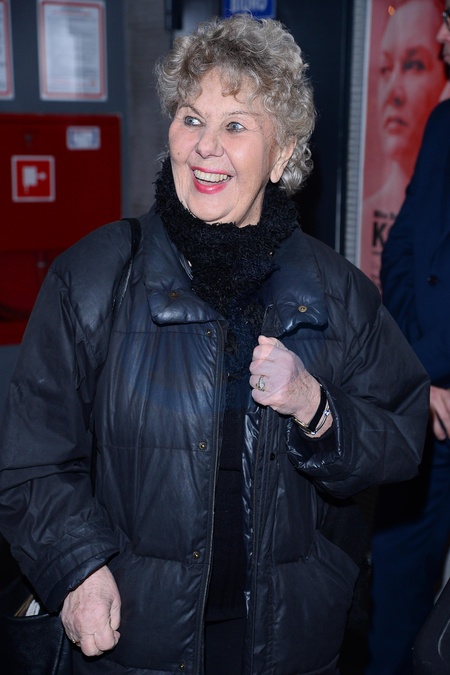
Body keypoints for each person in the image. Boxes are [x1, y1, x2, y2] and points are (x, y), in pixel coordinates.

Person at [0, 14, 429, 675]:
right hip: (132, 639)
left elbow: (400, 436)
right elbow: (31, 459)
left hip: (288, 642)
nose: (204, 146)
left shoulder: (337, 292)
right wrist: (76, 567)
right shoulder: (96, 275)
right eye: (192, 118)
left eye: (235, 126)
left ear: (281, 154)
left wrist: (316, 406)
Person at [367, 9, 450, 672]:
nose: (443, 36)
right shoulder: (445, 122)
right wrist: (419, 375)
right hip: (426, 406)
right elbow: (401, 254)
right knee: (397, 594)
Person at [360, 0, 447, 289]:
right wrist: (411, 314)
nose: (393, 93)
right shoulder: (441, 124)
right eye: (386, 68)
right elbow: (401, 246)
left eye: (413, 65)